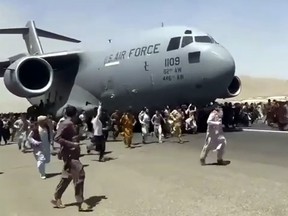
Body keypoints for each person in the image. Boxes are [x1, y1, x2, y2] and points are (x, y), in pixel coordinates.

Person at [51, 106, 88, 211]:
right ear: (75, 114)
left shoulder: (71, 124)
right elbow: (57, 138)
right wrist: (72, 144)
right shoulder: (66, 123)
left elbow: (67, 137)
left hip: (71, 154)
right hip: (71, 155)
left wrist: (80, 137)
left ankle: (57, 198)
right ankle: (80, 202)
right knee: (80, 175)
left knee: (67, 177)